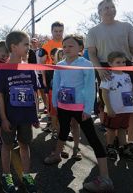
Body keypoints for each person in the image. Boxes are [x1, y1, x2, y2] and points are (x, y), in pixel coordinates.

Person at [43, 34, 113, 193]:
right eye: (64, 46)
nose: (67, 49)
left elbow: (90, 87)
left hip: (81, 108)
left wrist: (88, 109)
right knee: (63, 131)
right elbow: (57, 84)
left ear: (81, 48)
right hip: (62, 105)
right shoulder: (59, 64)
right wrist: (54, 103)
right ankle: (57, 154)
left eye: (71, 46)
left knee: (93, 138)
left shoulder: (86, 64)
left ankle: (105, 177)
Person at [87, 0, 133, 160]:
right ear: (99, 12)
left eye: (112, 7)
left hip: (128, 67)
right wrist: (100, 69)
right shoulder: (93, 31)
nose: (109, 10)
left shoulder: (126, 27)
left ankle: (132, 143)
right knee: (110, 109)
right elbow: (92, 53)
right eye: (105, 8)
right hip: (105, 69)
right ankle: (114, 143)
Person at [0, 31, 39, 193]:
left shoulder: (30, 69)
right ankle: (6, 175)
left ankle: (27, 175)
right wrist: (3, 118)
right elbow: (0, 96)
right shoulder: (4, 70)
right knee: (6, 145)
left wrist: (35, 115)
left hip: (26, 117)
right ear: (14, 47)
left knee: (24, 145)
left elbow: (34, 93)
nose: (29, 47)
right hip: (9, 117)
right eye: (26, 44)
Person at [100, 51, 133, 161]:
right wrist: (109, 108)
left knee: (122, 129)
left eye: (123, 62)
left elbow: (129, 91)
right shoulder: (108, 76)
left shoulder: (127, 76)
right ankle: (110, 148)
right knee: (111, 130)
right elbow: (104, 92)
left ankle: (123, 148)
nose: (122, 64)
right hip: (113, 109)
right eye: (118, 62)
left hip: (126, 109)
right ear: (110, 63)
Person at [40, 22, 64, 136]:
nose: (58, 33)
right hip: (51, 75)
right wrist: (44, 79)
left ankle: (62, 128)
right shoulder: (46, 46)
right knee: (52, 102)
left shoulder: (67, 43)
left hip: (66, 74)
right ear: (51, 31)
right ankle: (52, 125)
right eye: (56, 31)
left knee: (64, 101)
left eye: (60, 31)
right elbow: (42, 64)